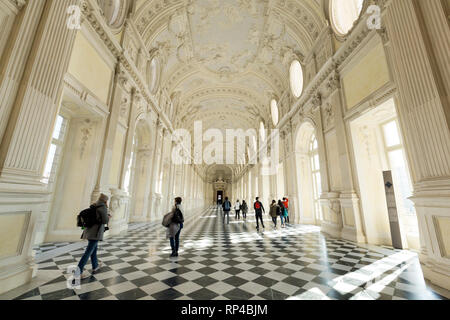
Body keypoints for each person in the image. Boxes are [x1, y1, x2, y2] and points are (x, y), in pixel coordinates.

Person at [76, 193, 110, 279]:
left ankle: (95, 266)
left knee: (93, 250)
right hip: (95, 233)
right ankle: (78, 272)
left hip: (89, 231)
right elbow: (104, 220)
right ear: (105, 200)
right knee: (88, 252)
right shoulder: (103, 207)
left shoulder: (94, 205)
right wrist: (108, 217)